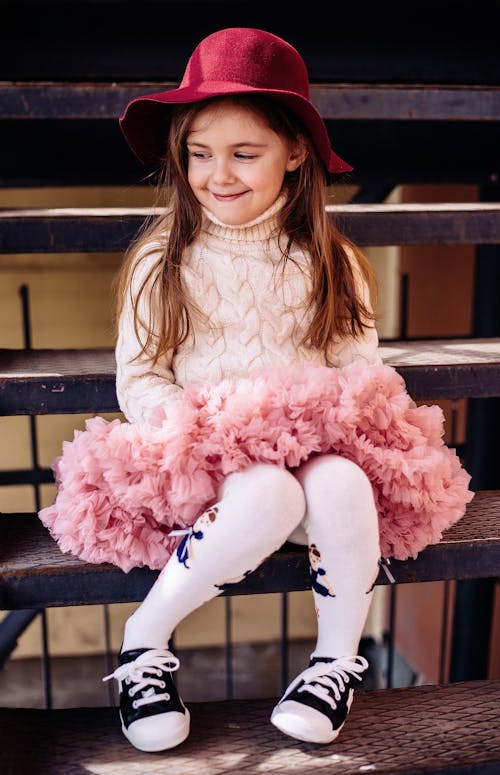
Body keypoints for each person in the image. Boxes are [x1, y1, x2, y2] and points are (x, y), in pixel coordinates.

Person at [39, 26, 473, 754]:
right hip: (202, 463)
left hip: (308, 452)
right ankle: (144, 642)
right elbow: (141, 376)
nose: (219, 174)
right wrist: (199, 432)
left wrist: (316, 430)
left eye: (246, 153)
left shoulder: (330, 260)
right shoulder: (163, 260)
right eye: (200, 154)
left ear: (295, 152)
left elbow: (354, 371)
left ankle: (334, 662)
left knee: (340, 485)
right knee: (267, 489)